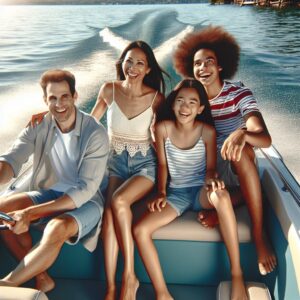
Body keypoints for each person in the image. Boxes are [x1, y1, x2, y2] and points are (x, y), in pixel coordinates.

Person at [173, 25, 277, 275]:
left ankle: (259, 235)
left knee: (242, 152)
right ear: (191, 68)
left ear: (220, 67)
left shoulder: (239, 93)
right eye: (198, 63)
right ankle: (233, 202)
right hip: (205, 167)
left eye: (210, 62)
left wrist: (241, 133)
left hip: (234, 162)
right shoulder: (188, 97)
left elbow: (265, 139)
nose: (203, 68)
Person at [134, 79, 248, 300]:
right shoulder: (162, 128)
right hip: (176, 194)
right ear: (173, 104)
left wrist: (212, 180)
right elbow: (163, 166)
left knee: (222, 195)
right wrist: (161, 192)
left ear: (201, 108)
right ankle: (162, 293)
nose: (185, 107)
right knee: (140, 230)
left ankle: (237, 275)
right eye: (180, 101)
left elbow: (211, 168)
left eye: (192, 102)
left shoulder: (207, 131)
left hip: (201, 191)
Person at [0, 69, 109, 293]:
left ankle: (8, 284)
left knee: (56, 227)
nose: (59, 104)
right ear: (45, 100)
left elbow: (83, 190)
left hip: (87, 201)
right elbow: (12, 160)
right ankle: (42, 277)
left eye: (65, 96)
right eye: (53, 98)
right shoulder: (38, 124)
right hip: (51, 190)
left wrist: (30, 213)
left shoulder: (95, 133)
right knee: (2, 209)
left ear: (75, 96)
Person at [90, 40, 166, 300]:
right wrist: (52, 112)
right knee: (109, 217)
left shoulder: (157, 99)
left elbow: (165, 139)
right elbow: (88, 125)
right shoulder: (108, 89)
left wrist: (165, 186)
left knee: (119, 200)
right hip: (115, 165)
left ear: (148, 70)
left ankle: (130, 276)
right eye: (129, 61)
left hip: (145, 165)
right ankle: (112, 287)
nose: (132, 67)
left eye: (140, 63)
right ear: (121, 63)